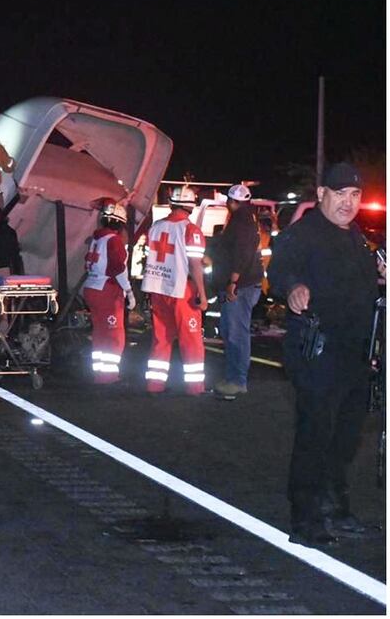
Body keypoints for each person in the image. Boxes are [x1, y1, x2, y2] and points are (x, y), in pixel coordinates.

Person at [267, 162, 383, 546]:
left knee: (346, 436)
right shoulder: (305, 234)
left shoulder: (354, 239)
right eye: (339, 194)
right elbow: (282, 268)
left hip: (354, 355)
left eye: (354, 196)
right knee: (315, 434)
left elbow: (366, 289)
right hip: (317, 353)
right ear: (321, 195)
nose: (347, 203)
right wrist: (294, 286)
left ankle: (334, 504)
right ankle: (305, 519)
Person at [140, 186, 209, 395]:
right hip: (182, 290)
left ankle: (154, 384)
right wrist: (202, 295)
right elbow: (195, 265)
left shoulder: (156, 227)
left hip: (157, 288)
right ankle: (195, 387)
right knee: (191, 340)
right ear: (190, 205)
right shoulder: (191, 230)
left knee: (161, 338)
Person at [211, 184, 264, 399]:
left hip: (240, 286)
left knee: (236, 334)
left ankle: (237, 381)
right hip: (243, 284)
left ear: (232, 202)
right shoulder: (248, 219)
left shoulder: (241, 222)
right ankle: (233, 377)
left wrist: (233, 280)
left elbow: (241, 253)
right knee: (231, 331)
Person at [82, 201, 137, 384]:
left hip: (92, 288)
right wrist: (129, 292)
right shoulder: (114, 240)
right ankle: (109, 376)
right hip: (107, 291)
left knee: (100, 333)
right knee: (114, 335)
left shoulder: (97, 239)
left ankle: (99, 373)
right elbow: (117, 268)